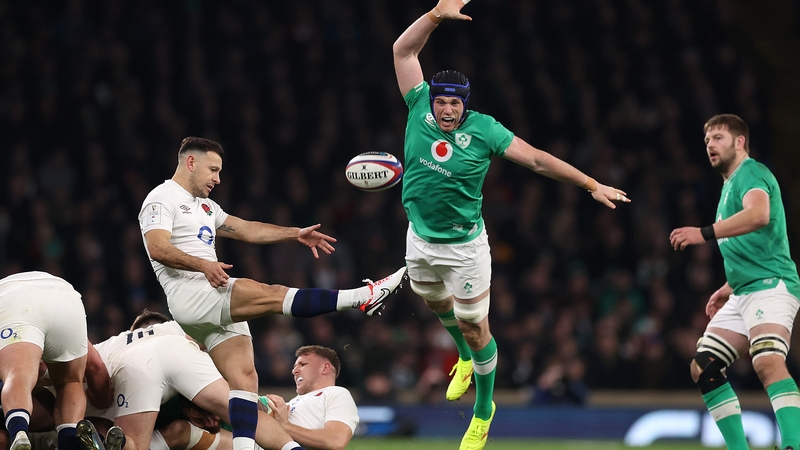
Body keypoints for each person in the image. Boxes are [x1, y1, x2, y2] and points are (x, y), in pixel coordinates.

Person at [392, 1, 631, 448]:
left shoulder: (485, 130)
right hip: (420, 238)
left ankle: (483, 412)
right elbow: (403, 53)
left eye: (453, 103)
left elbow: (538, 160)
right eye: (441, 101)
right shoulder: (418, 103)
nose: (445, 110)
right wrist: (435, 16)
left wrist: (590, 182)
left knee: (475, 326)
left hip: (464, 247)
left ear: (465, 105)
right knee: (431, 301)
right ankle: (464, 358)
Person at [137, 137, 406, 450]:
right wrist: (202, 264)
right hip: (190, 293)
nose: (217, 179)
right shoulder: (161, 197)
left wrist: (295, 234)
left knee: (245, 380)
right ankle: (362, 297)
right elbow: (157, 247)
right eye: (213, 170)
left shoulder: (206, 206)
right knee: (271, 293)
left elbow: (248, 229)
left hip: (207, 296)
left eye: (220, 171)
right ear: (191, 163)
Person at [670, 114, 800, 450]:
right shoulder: (730, 185)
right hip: (744, 291)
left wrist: (703, 233)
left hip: (771, 285)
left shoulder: (752, 173)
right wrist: (729, 286)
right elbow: (753, 242)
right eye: (707, 141)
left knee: (767, 361)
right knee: (704, 366)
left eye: (717, 137)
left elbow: (759, 215)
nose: (710, 145)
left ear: (739, 141)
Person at [83, 309, 305, 450]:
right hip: (169, 405)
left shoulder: (119, 348)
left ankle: (119, 444)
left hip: (131, 383)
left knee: (174, 432)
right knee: (242, 412)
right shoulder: (176, 336)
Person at [154, 346, 358, 450]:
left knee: (181, 429)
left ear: (325, 367)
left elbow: (335, 441)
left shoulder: (337, 394)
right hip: (248, 437)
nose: (294, 370)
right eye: (295, 366)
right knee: (178, 430)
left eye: (302, 364)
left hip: (262, 443)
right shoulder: (296, 402)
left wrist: (284, 427)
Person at [0, 272, 113, 450]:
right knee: (70, 382)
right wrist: (105, 401)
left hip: (15, 299)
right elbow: (96, 366)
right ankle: (68, 444)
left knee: (18, 375)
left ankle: (18, 432)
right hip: (67, 297)